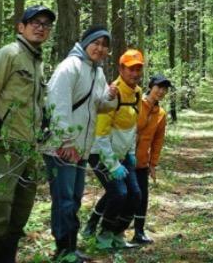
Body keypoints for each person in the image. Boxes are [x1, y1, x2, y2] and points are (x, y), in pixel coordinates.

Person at [0, 6, 56, 263]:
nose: (40, 27)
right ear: (21, 27)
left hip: (28, 148)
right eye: (35, 22)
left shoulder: (37, 61)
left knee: (20, 211)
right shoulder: (9, 54)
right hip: (5, 145)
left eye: (46, 24)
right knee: (0, 206)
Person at [43, 25, 119, 263]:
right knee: (64, 198)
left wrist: (110, 97)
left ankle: (70, 248)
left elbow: (99, 106)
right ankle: (63, 250)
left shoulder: (97, 73)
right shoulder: (70, 67)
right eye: (96, 43)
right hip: (62, 147)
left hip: (81, 147)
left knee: (74, 198)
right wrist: (65, 140)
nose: (100, 49)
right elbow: (57, 104)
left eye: (105, 46)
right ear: (85, 42)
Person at [82, 49, 146, 251]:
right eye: (130, 69)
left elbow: (133, 125)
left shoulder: (137, 93)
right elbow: (101, 134)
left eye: (138, 69)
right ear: (121, 69)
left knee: (135, 194)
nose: (134, 74)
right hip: (100, 153)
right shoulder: (112, 93)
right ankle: (103, 236)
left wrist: (131, 153)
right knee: (118, 193)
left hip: (123, 153)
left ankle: (118, 234)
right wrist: (112, 164)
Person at [132, 73, 171, 245]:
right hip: (125, 157)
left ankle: (139, 232)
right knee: (119, 193)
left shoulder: (161, 113)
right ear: (150, 87)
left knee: (142, 195)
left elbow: (157, 141)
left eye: (164, 89)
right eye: (158, 87)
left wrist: (153, 164)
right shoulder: (136, 103)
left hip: (142, 160)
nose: (161, 92)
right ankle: (95, 223)